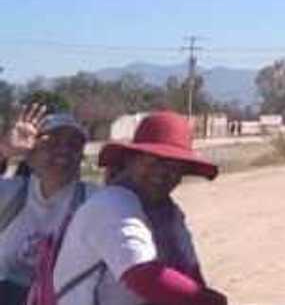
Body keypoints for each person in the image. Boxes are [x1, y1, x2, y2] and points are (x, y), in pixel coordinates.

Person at [53, 112, 227, 305]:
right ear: (131, 160)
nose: (162, 172)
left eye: (174, 166)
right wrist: (210, 301)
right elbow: (144, 277)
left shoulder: (169, 214)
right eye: (153, 161)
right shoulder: (111, 204)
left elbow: (190, 274)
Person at [0, 105, 93, 304]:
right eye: (52, 143)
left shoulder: (93, 200)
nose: (63, 151)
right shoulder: (12, 193)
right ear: (30, 154)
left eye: (74, 145)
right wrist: (4, 150)